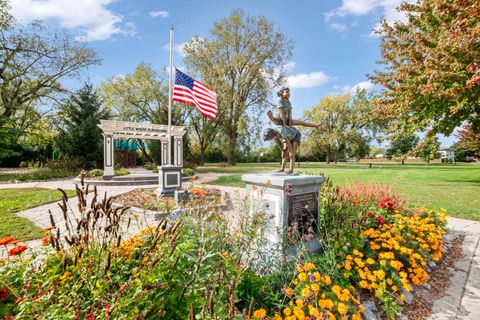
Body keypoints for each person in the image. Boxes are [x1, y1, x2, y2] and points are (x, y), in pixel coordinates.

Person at [266, 87, 319, 173]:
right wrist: (284, 125)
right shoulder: (279, 101)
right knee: (284, 153)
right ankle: (282, 168)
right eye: (286, 92)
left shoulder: (289, 102)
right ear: (282, 93)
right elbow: (282, 113)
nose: (288, 94)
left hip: (292, 130)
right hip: (282, 121)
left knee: (292, 152)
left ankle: (291, 169)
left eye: (289, 92)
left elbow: (290, 114)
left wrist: (289, 124)